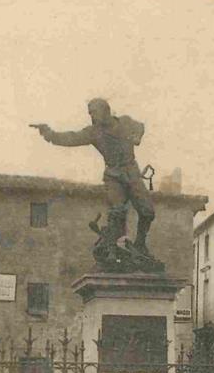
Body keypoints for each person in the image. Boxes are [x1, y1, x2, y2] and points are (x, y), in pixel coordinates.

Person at [31, 98, 155, 257]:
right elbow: (71, 138)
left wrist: (137, 137)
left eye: (94, 112)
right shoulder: (94, 132)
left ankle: (140, 244)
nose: (92, 116)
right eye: (90, 113)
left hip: (132, 171)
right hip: (113, 176)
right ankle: (112, 247)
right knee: (117, 212)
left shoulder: (125, 121)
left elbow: (140, 127)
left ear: (106, 111)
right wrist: (49, 134)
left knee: (148, 212)